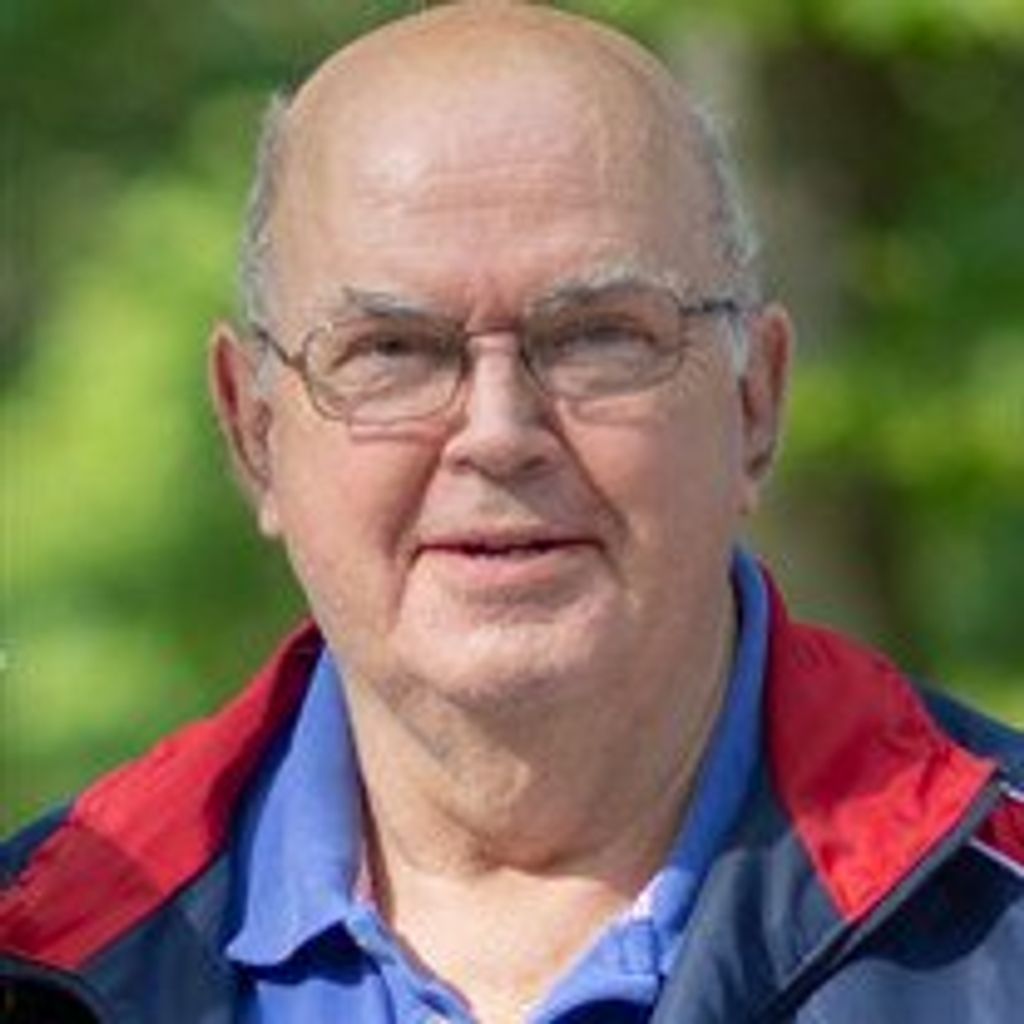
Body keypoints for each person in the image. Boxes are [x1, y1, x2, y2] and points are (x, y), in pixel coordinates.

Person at [2, 2, 1022, 1021]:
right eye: (392, 350)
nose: (497, 433)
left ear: (755, 400)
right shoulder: (38, 948)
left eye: (597, 337)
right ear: (253, 431)